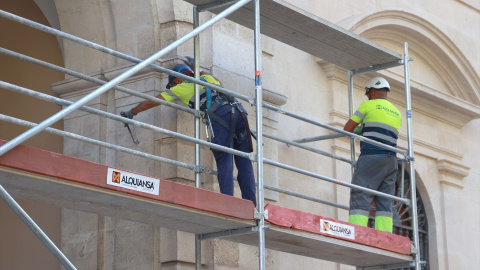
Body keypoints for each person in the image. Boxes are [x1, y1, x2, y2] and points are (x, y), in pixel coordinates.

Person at [120, 60, 256, 206]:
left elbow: (151, 101)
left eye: (172, 84)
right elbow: (216, 80)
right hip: (240, 112)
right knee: (244, 161)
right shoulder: (207, 79)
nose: (173, 87)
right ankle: (252, 205)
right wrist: (196, 69)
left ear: (178, 78)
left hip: (221, 116)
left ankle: (228, 204)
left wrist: (132, 112)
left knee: (224, 160)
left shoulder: (182, 87)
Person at [343, 77, 402, 233]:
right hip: (391, 160)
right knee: (384, 199)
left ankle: (357, 230)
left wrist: (357, 129)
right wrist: (363, 129)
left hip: (371, 156)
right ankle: (385, 234)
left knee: (361, 192)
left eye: (368, 93)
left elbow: (347, 129)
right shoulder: (397, 113)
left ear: (373, 92)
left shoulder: (367, 105)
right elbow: (379, 129)